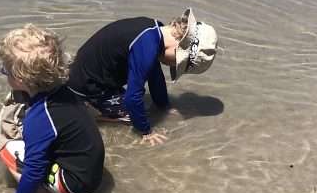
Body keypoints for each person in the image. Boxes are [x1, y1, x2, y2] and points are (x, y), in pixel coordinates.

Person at [0, 24, 106, 193]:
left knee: (5, 148)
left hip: (74, 188)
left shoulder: (40, 117)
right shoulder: (64, 91)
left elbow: (33, 170)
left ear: (20, 78)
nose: (4, 74)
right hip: (91, 175)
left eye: (5, 71)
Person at [67, 8, 218, 146]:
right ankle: (95, 112)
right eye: (177, 62)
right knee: (132, 114)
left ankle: (94, 102)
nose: (172, 65)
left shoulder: (153, 31)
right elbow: (132, 98)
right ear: (177, 47)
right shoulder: (147, 46)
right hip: (86, 84)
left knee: (140, 103)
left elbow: (155, 76)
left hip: (90, 72)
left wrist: (163, 106)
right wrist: (146, 132)